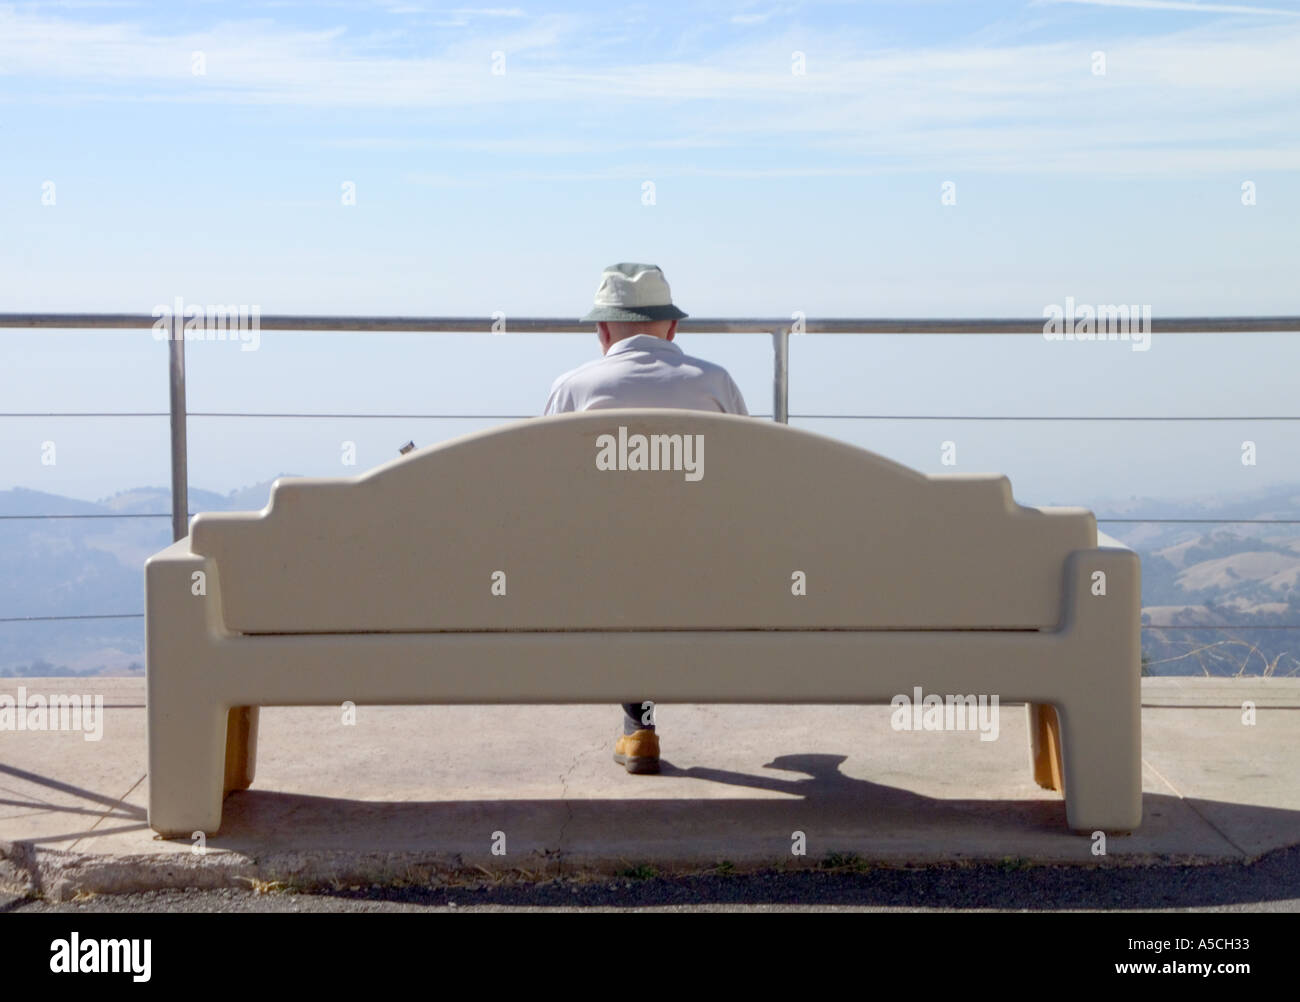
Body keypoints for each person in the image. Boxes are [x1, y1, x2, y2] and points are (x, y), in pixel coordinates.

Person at [543, 262, 749, 775]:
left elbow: (540, 491)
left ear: (602, 330)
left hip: (605, 575)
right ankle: (639, 727)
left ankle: (639, 728)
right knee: (660, 565)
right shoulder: (716, 383)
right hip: (703, 571)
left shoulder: (572, 390)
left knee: (620, 569)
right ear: (672, 328)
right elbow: (754, 479)